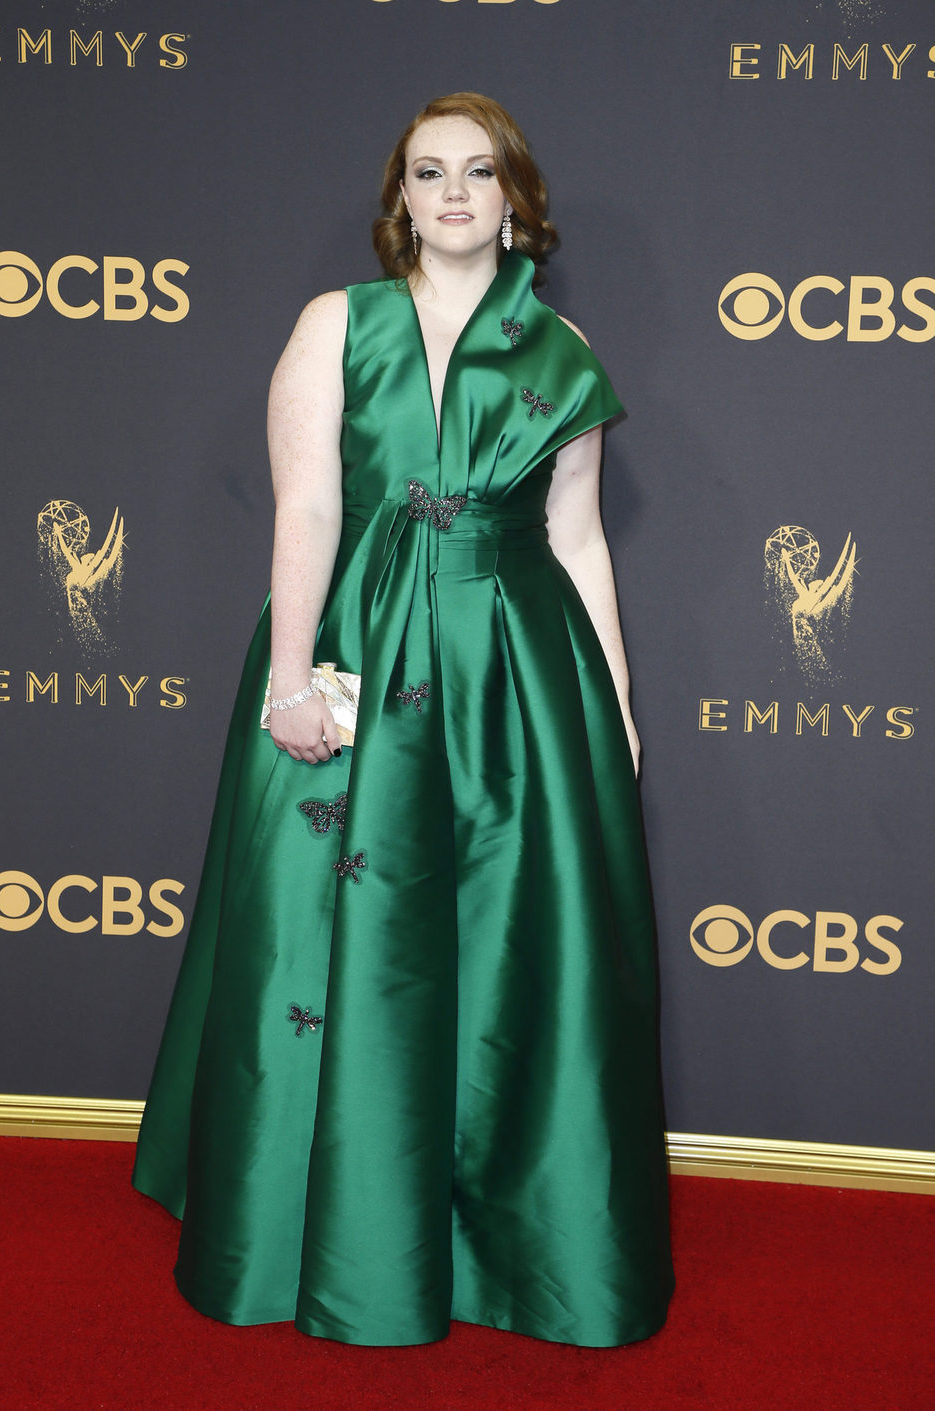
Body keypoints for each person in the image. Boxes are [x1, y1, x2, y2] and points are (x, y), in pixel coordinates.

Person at [133, 92, 674, 1348]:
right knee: (326, 937)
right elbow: (309, 504)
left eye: (477, 172)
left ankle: (506, 1241)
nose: (452, 194)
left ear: (514, 196)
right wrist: (295, 672)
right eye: (428, 172)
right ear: (401, 198)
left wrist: (619, 710)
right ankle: (299, 1227)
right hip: (359, 651)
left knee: (503, 943)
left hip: (516, 669)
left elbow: (577, 537)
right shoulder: (338, 325)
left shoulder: (563, 349)